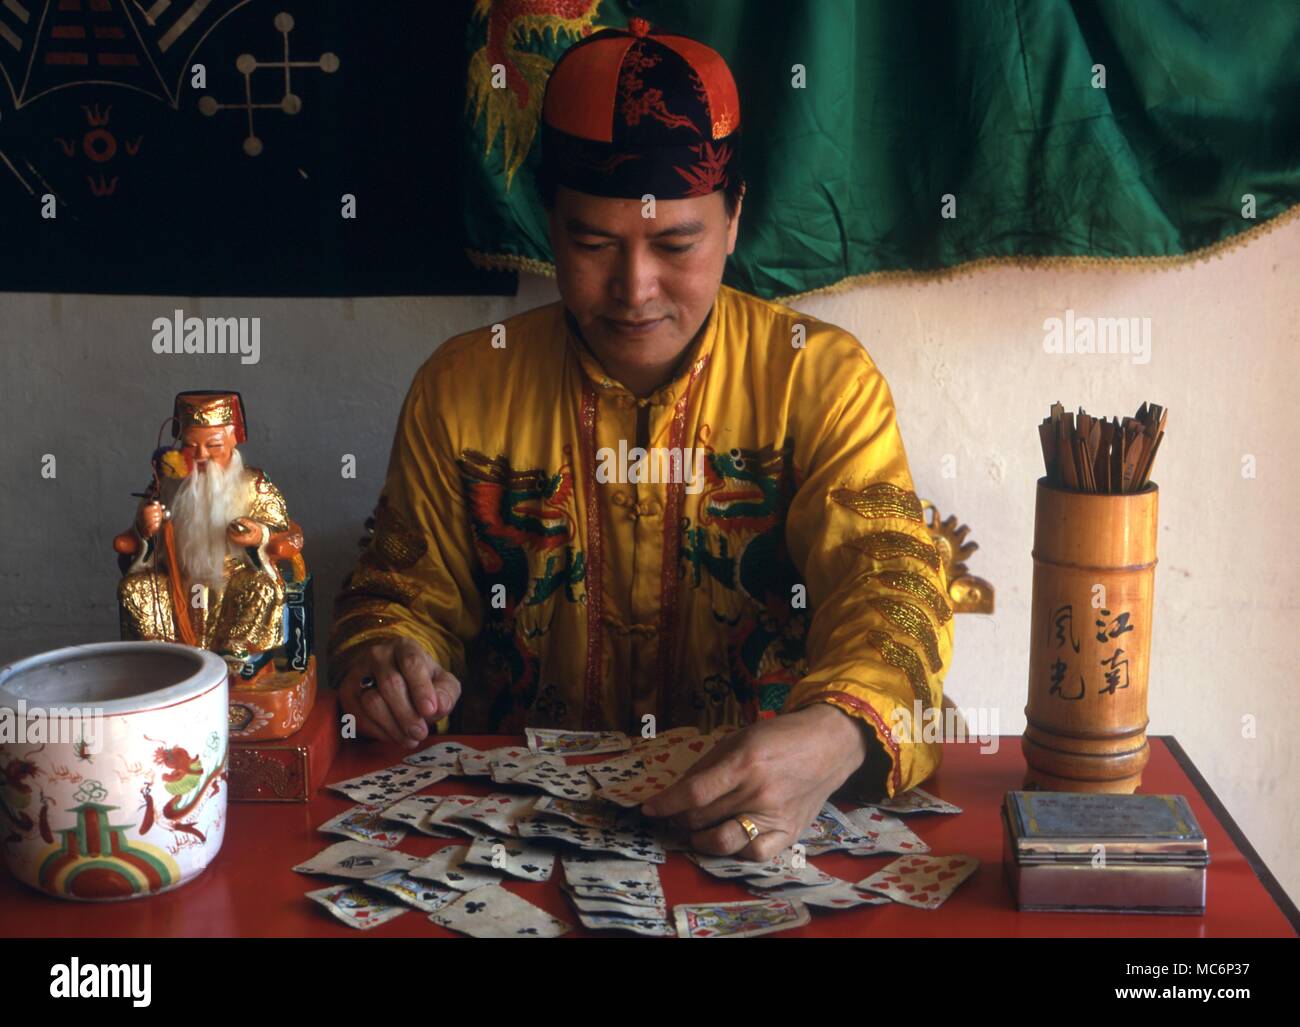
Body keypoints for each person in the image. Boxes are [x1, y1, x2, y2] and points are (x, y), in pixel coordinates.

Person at [329, 18, 953, 860]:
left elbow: (892, 585)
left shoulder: (820, 381)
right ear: (548, 224)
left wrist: (840, 732)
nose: (634, 288)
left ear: (735, 218)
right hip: (515, 845)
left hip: (759, 836)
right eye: (593, 244)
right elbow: (399, 596)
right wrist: (387, 660)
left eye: (675, 244)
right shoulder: (464, 389)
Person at [118, 391, 291, 672]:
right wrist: (146, 528)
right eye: (190, 446)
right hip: (177, 579)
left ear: (232, 441)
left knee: (263, 587)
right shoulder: (167, 482)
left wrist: (257, 534)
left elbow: (282, 528)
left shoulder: (253, 483)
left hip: (234, 579)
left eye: (213, 446)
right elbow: (142, 532)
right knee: (134, 589)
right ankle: (162, 658)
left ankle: (234, 656)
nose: (201, 456)